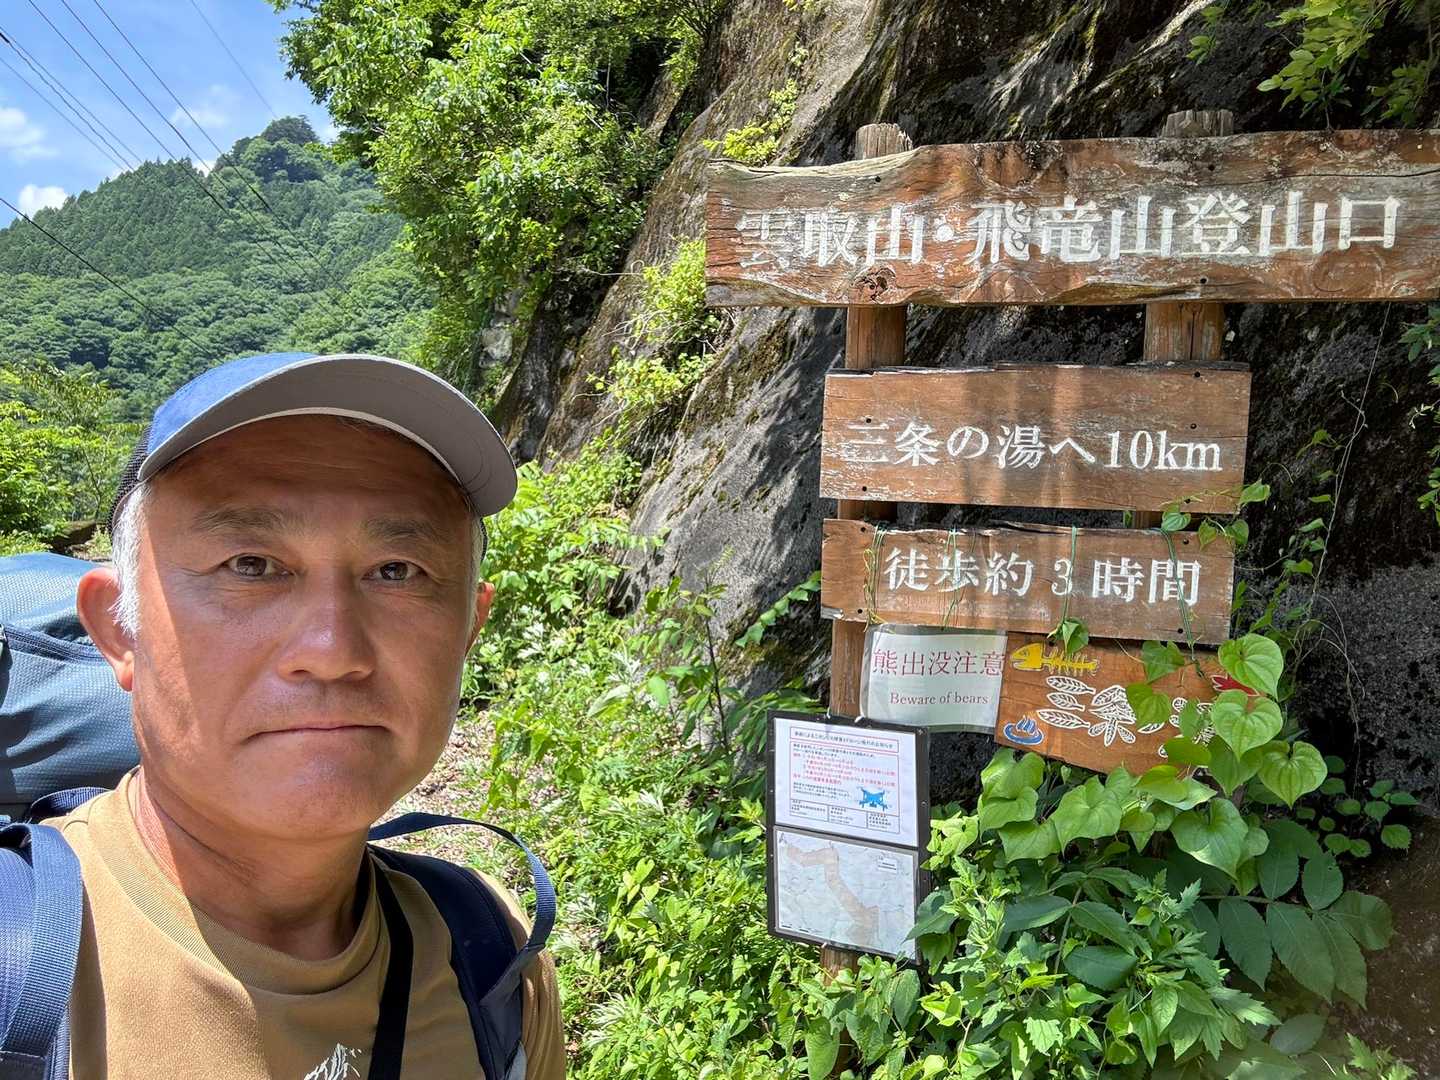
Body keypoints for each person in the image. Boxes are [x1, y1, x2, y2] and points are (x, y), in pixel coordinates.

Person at [49, 352, 565, 1078]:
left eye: (396, 571)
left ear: (468, 629)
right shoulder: (25, 965)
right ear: (119, 630)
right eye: (250, 565)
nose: (332, 651)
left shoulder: (491, 957)